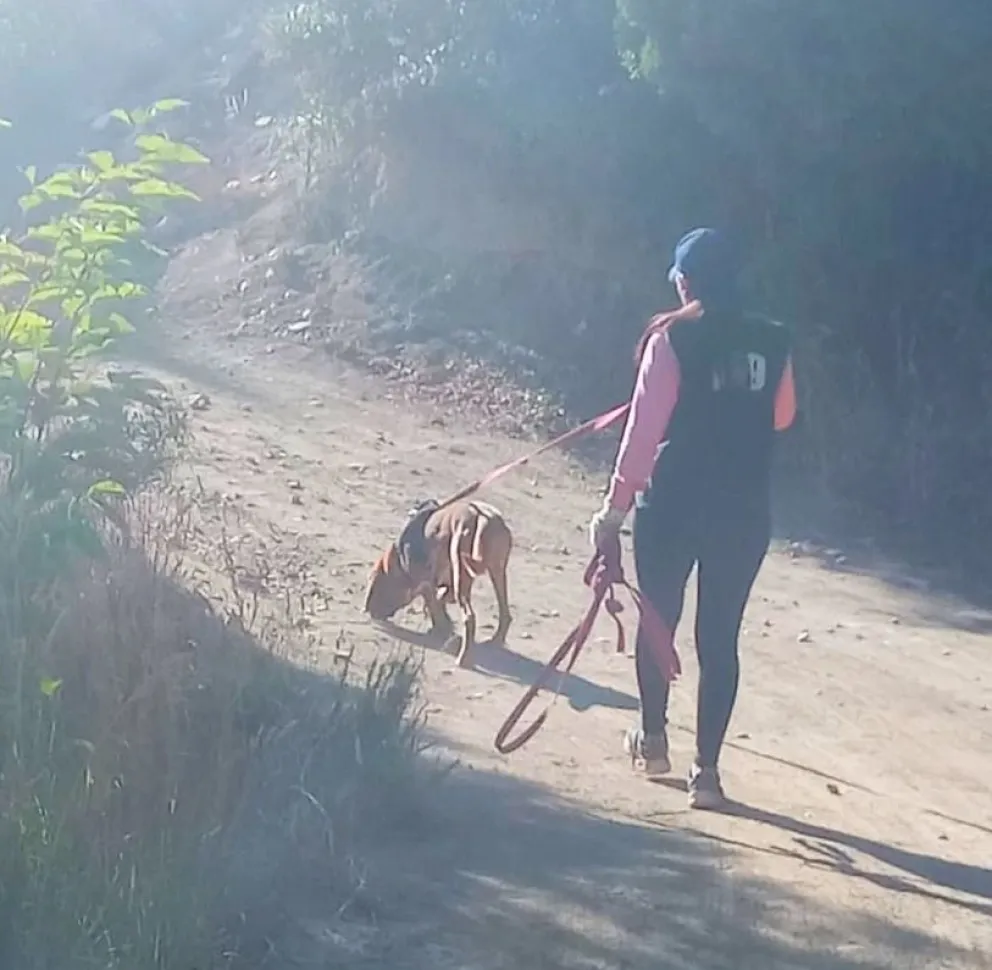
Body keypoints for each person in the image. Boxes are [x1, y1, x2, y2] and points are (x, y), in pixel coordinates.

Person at [588, 228, 797, 810]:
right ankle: (706, 774)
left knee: (659, 622)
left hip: (673, 504)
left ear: (685, 281)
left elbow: (643, 433)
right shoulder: (774, 340)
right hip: (744, 509)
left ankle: (652, 741)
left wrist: (613, 509)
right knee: (719, 639)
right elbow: (782, 417)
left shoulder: (671, 336)